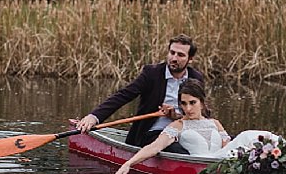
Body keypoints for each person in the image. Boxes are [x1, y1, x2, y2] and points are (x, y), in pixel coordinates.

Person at [109, 78, 278, 174]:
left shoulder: (215, 123)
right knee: (246, 135)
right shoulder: (178, 125)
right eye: (183, 103)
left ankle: (282, 153)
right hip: (204, 164)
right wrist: (129, 163)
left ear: (202, 102)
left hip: (224, 159)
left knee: (248, 136)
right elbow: (155, 147)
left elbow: (228, 145)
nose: (187, 109)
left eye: (192, 103)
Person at [75, 34, 203, 154]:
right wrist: (94, 117)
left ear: (190, 59)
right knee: (181, 152)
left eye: (180, 55)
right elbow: (123, 96)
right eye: (172, 53)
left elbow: (201, 112)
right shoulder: (151, 74)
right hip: (153, 132)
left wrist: (178, 116)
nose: (174, 58)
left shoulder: (196, 78)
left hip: (185, 131)